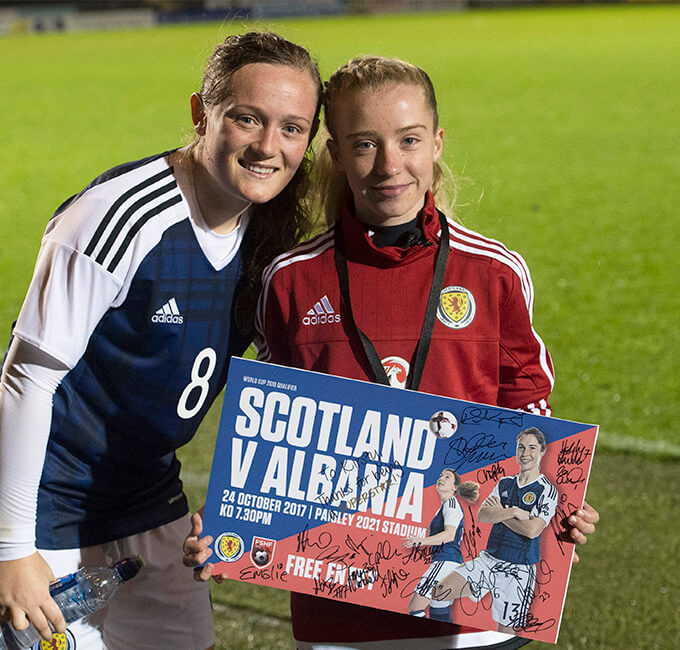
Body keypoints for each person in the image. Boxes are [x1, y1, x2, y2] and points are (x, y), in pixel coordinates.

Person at [185, 55, 598, 649]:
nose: (389, 165)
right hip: (340, 611)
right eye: (364, 144)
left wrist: (562, 504)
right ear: (334, 154)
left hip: (475, 612)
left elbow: (530, 418)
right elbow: (271, 436)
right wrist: (230, 522)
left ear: (436, 142)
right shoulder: (291, 280)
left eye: (408, 140)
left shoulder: (495, 272)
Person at [0, 32, 322, 650]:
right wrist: (13, 547)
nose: (268, 146)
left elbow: (288, 394)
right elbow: (29, 378)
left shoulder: (273, 238)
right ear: (201, 113)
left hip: (149, 493)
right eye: (247, 119)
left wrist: (244, 507)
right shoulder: (122, 214)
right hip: (46, 498)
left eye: (292, 128)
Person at [430, 428, 557, 634]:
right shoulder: (504, 482)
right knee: (440, 591)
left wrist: (500, 513)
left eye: (532, 448)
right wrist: (513, 512)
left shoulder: (546, 490)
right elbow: (483, 515)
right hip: (488, 560)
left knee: (504, 633)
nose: (525, 453)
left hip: (518, 570)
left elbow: (532, 530)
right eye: (521, 447)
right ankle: (442, 642)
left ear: (542, 451)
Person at [402, 469, 480, 622]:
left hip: (445, 561)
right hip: (449, 561)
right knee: (439, 612)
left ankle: (474, 586)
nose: (441, 479)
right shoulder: (446, 506)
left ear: (454, 487)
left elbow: (449, 535)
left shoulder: (451, 504)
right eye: (440, 476)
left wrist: (422, 540)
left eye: (447, 477)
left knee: (415, 606)